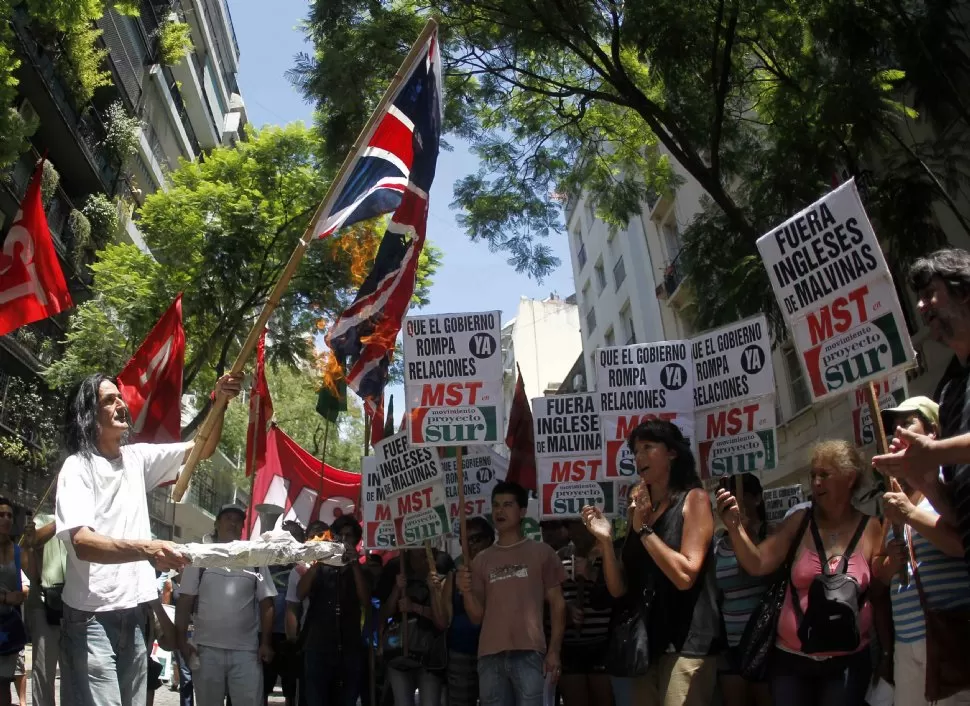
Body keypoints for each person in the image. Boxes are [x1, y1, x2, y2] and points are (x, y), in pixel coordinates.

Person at [55, 371, 241, 706]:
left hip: (136, 616)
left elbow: (203, 449)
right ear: (89, 415)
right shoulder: (76, 468)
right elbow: (82, 543)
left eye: (119, 398)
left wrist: (221, 402)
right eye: (108, 401)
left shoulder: (137, 459)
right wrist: (147, 549)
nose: (120, 405)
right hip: (90, 621)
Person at [717, 440, 882, 706]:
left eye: (825, 475)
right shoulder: (799, 521)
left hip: (848, 662)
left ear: (850, 478)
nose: (816, 482)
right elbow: (757, 563)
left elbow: (881, 590)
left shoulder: (873, 527)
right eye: (813, 475)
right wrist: (734, 527)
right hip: (791, 661)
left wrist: (886, 654)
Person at [582, 420, 719, 706]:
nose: (639, 457)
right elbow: (619, 590)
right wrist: (606, 542)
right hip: (646, 646)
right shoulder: (640, 515)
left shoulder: (694, 500)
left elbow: (685, 575)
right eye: (635, 451)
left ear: (672, 453)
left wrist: (644, 530)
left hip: (686, 644)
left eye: (648, 447)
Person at [873, 249, 970, 568]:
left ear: (964, 291)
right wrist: (926, 480)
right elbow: (959, 524)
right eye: (919, 298)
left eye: (930, 294)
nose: (920, 307)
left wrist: (937, 452)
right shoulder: (949, 390)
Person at [872, 396, 970, 706]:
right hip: (907, 639)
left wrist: (912, 516)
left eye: (907, 423)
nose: (896, 432)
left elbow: (962, 545)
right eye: (893, 427)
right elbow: (878, 567)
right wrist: (889, 561)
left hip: (948, 634)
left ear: (932, 432)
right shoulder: (894, 493)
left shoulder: (951, 481)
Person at [456, 481, 566, 706]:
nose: (500, 511)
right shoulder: (481, 560)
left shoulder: (542, 553)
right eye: (496, 505)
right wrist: (466, 591)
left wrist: (554, 650)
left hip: (530, 654)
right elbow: (477, 617)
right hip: (489, 657)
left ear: (522, 511)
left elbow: (558, 604)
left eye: (507, 505)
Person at [175, 503, 276, 706]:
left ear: (242, 527)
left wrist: (265, 642)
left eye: (238, 519)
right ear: (217, 523)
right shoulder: (201, 556)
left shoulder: (254, 558)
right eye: (228, 517)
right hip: (206, 651)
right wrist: (181, 641)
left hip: (246, 653)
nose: (233, 522)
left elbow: (267, 602)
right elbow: (185, 600)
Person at [299, 515, 371, 706]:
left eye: (350, 537)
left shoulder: (361, 570)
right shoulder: (321, 568)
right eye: (341, 536)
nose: (345, 540)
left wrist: (354, 564)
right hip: (318, 647)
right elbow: (300, 593)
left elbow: (365, 600)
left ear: (356, 541)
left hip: (349, 648)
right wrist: (320, 562)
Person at [713, 474, 771, 706]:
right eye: (724, 497)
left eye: (737, 496)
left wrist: (746, 534)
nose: (731, 502)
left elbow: (761, 570)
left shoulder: (771, 533)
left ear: (756, 499)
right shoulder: (718, 543)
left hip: (765, 644)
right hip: (732, 645)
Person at [378, 546, 453, 706]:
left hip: (431, 655)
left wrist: (415, 607)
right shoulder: (395, 567)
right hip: (399, 650)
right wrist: (397, 589)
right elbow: (384, 613)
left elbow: (444, 619)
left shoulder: (442, 563)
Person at [554, 520, 613, 706]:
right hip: (570, 645)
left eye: (584, 526)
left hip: (602, 644)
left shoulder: (609, 555)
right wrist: (566, 608)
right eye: (574, 526)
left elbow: (619, 592)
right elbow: (549, 598)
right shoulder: (558, 557)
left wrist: (593, 575)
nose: (580, 532)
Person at [21, 512, 70, 706]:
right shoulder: (42, 520)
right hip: (44, 604)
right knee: (43, 675)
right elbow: (30, 569)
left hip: (73, 605)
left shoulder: (81, 521)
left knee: (73, 674)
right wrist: (62, 520)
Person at [446, 516, 494, 706]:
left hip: (493, 652)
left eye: (477, 538)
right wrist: (436, 591)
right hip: (461, 652)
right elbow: (444, 619)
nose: (471, 545)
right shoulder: (455, 574)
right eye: (465, 540)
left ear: (490, 539)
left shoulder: (501, 570)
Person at [263, 520, 305, 706]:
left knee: (292, 691)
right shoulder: (264, 566)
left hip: (294, 639)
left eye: (294, 540)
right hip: (266, 635)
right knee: (261, 688)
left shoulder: (305, 569)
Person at [0, 498, 28, 706]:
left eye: (9, 515)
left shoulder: (18, 551)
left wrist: (22, 594)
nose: (6, 519)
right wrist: (4, 597)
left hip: (7, 629)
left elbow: (29, 580)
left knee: (3, 685)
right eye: (1, 515)